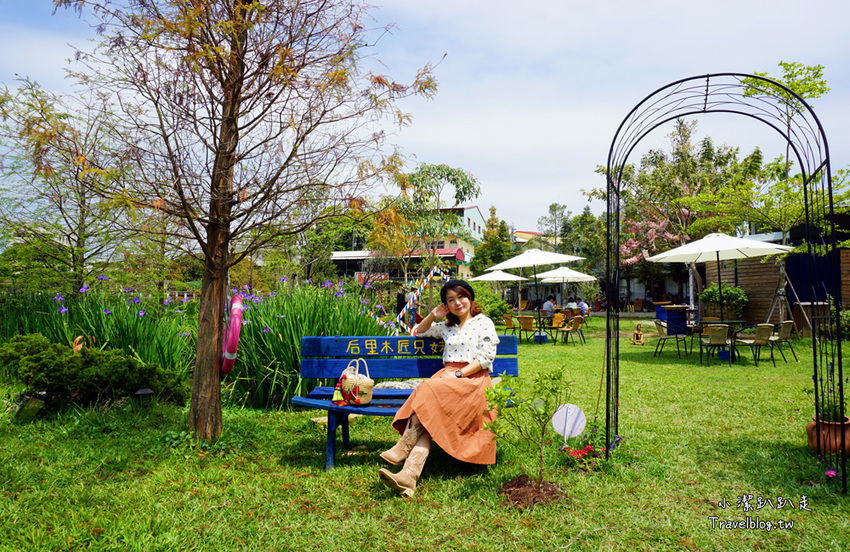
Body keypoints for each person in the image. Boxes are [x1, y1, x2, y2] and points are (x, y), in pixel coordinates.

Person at [378, 279, 500, 498]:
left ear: (470, 297)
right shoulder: (447, 326)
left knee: (427, 388)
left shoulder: (484, 322)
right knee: (426, 415)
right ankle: (409, 475)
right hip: (446, 381)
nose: (457, 303)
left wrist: (460, 374)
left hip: (471, 381)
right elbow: (418, 331)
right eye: (450, 300)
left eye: (461, 297)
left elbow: (485, 358)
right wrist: (433, 315)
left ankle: (403, 447)